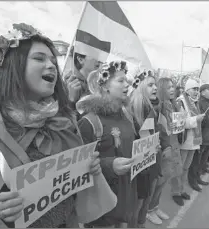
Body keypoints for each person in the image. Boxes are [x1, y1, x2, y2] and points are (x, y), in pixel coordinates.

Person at [0, 23, 101, 228]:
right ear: (13, 65)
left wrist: (88, 167)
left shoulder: (62, 121)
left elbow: (70, 181)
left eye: (53, 61)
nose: (51, 66)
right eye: (39, 58)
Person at [77, 61, 137, 228]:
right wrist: (110, 165)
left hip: (125, 196)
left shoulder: (125, 114)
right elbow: (79, 166)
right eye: (120, 81)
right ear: (104, 87)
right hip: (102, 205)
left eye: (127, 80)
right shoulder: (89, 122)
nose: (127, 84)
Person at [146, 77, 183, 225]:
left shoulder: (172, 105)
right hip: (163, 148)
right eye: (168, 87)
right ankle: (149, 210)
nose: (173, 89)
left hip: (173, 145)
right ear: (161, 90)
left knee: (166, 178)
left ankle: (155, 207)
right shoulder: (158, 107)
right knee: (159, 181)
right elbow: (160, 129)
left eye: (173, 87)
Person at [128, 70, 162, 227]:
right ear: (140, 87)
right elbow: (140, 141)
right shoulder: (138, 108)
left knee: (143, 203)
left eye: (155, 84)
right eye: (150, 85)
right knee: (138, 205)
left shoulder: (149, 107)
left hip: (148, 165)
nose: (155, 87)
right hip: (141, 169)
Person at [175, 79, 205, 202]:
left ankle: (181, 189)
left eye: (198, 89)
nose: (196, 92)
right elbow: (180, 123)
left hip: (194, 141)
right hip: (184, 141)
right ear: (187, 89)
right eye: (194, 89)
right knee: (179, 168)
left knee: (186, 167)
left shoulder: (194, 103)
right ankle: (176, 192)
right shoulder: (180, 102)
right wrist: (196, 119)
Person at [63, 47, 101, 111]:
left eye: (98, 56)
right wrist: (71, 101)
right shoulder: (69, 84)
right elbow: (63, 116)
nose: (99, 60)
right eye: (94, 55)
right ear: (80, 59)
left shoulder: (96, 83)